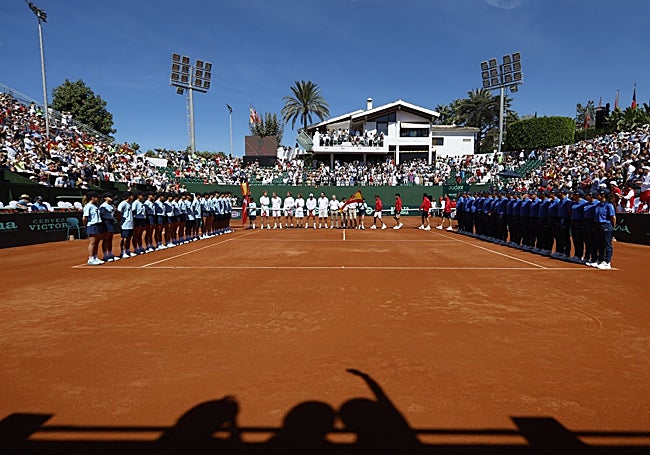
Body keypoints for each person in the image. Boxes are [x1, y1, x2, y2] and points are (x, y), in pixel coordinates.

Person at [592, 188, 616, 270]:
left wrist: (613, 228)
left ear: (602, 195)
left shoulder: (609, 205)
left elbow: (613, 217)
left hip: (606, 225)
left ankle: (607, 262)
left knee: (607, 244)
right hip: (598, 225)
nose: (596, 196)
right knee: (599, 244)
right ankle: (600, 260)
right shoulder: (598, 204)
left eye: (598, 194)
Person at [82, 191, 104, 265]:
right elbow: (84, 218)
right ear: (92, 198)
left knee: (97, 242)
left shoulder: (96, 205)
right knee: (93, 243)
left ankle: (95, 257)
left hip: (98, 225)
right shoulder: (88, 206)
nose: (98, 199)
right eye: (97, 197)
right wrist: (86, 225)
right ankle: (91, 258)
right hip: (92, 225)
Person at [99, 193, 119, 262]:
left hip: (111, 223)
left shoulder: (112, 205)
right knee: (105, 239)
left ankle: (110, 253)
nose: (111, 198)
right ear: (105, 198)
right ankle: (105, 255)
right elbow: (104, 215)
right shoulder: (103, 206)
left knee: (110, 239)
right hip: (105, 223)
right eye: (109, 197)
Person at [117, 191, 136, 259]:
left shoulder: (130, 204)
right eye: (132, 196)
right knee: (125, 238)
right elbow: (119, 213)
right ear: (129, 196)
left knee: (129, 238)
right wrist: (120, 221)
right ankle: (123, 251)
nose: (133, 197)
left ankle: (127, 250)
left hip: (130, 223)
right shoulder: (123, 203)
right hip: (125, 224)